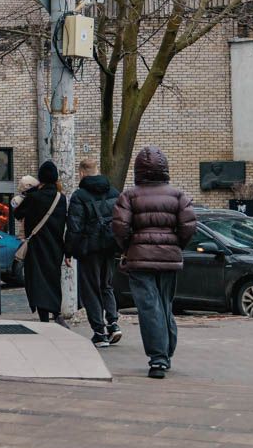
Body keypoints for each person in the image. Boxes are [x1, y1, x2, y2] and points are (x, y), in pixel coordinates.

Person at [112, 147, 197, 379]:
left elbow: (120, 227)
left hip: (140, 259)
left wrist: (129, 246)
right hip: (169, 258)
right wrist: (176, 244)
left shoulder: (129, 196)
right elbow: (189, 227)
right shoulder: (178, 195)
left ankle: (158, 359)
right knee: (164, 304)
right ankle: (166, 352)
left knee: (149, 307)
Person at [67, 158, 122, 348]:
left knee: (90, 289)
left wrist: (69, 251)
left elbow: (74, 227)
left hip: (89, 248)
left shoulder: (79, 196)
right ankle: (113, 324)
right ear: (97, 170)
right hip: (109, 245)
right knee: (106, 285)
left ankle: (99, 333)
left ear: (81, 172)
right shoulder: (114, 192)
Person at [13, 160, 68, 326]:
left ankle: (44, 317)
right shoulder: (61, 198)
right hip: (56, 246)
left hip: (36, 246)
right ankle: (56, 313)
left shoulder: (34, 197)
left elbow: (17, 213)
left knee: (37, 280)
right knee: (53, 278)